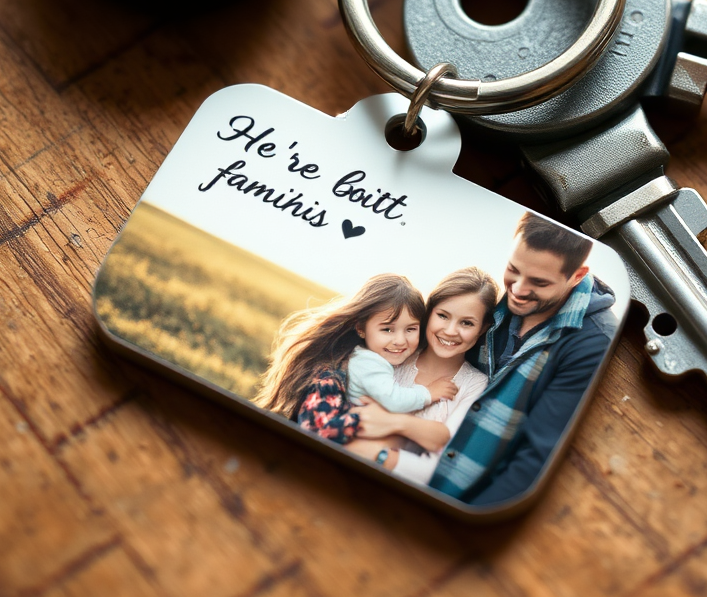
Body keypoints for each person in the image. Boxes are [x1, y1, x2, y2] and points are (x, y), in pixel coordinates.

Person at [427, 212, 616, 507]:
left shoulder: (593, 340)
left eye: (538, 282)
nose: (517, 290)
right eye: (513, 269)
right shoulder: (490, 303)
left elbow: (537, 455)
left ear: (577, 275)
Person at [255, 274, 454, 443]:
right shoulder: (369, 364)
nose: (400, 340)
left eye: (411, 329)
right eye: (387, 329)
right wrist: (429, 393)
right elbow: (393, 399)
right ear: (361, 328)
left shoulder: (365, 356)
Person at [346, 268, 499, 480]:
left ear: (482, 329)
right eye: (443, 316)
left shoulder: (475, 384)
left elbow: (445, 462)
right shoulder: (395, 354)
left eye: (467, 323)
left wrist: (388, 432)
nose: (450, 331)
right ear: (429, 312)